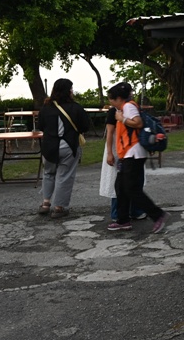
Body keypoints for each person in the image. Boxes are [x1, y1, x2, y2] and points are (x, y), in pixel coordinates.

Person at [105, 82, 169, 232]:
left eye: (111, 99)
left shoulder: (128, 107)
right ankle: (123, 220)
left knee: (131, 188)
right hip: (128, 152)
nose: (110, 102)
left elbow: (138, 123)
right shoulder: (124, 108)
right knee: (121, 187)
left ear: (119, 98)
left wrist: (122, 119)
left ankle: (158, 215)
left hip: (133, 152)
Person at [37, 78, 91, 219]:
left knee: (48, 173)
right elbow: (85, 126)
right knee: (64, 176)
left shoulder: (46, 108)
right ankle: (59, 207)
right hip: (68, 146)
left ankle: (45, 203)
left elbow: (40, 126)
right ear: (68, 91)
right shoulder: (76, 108)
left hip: (49, 147)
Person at [101, 104, 147, 224]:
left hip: (131, 149)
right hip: (119, 150)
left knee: (133, 181)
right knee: (118, 182)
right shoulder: (114, 111)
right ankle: (118, 212)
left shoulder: (131, 108)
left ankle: (135, 210)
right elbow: (110, 133)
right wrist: (110, 153)